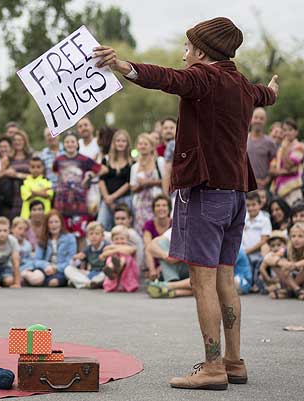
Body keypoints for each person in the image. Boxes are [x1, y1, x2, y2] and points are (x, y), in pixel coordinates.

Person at [95, 16, 279, 389]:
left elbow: (166, 78)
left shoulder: (205, 77)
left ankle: (212, 368)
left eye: (187, 48)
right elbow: (265, 94)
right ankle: (233, 361)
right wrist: (273, 90)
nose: (183, 55)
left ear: (201, 50)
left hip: (206, 192)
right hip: (235, 195)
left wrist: (123, 66)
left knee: (203, 281)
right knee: (225, 276)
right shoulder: (243, 85)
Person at [52, 133, 100, 238]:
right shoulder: (59, 160)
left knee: (80, 234)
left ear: (77, 144)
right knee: (63, 235)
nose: (70, 144)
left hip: (79, 202)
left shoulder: (84, 159)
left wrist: (90, 175)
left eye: (72, 142)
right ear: (63, 144)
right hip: (62, 202)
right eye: (67, 142)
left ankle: (80, 254)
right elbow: (55, 170)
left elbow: (101, 169)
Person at [264, 223, 304, 301]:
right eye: (293, 236)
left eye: (300, 236)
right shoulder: (288, 249)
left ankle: (290, 291)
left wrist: (296, 265)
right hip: (295, 280)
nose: (296, 239)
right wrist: (284, 263)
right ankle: (297, 290)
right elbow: (268, 258)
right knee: (277, 264)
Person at [27, 210, 75, 287]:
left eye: (56, 222)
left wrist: (55, 268)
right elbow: (36, 260)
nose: (54, 225)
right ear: (47, 225)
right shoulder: (43, 239)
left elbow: (71, 260)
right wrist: (46, 266)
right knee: (36, 279)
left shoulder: (70, 238)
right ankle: (29, 277)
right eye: (51, 222)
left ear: (61, 223)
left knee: (53, 282)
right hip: (46, 268)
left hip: (61, 269)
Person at [130, 133, 165, 235]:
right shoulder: (135, 167)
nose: (142, 146)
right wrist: (140, 185)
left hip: (157, 202)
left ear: (151, 146)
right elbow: (132, 187)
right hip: (140, 204)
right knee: (142, 231)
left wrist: (149, 182)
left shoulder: (160, 162)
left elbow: (166, 181)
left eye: (146, 144)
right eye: (140, 144)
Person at [98, 130, 133, 230]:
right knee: (102, 226)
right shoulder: (106, 160)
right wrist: (107, 198)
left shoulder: (132, 162)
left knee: (124, 228)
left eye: (123, 141)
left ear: (127, 143)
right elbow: (101, 180)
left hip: (124, 199)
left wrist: (113, 197)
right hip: (107, 199)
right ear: (114, 142)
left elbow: (128, 183)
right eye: (118, 141)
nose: (120, 143)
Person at [147, 228, 194, 298]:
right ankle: (172, 287)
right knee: (161, 243)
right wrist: (165, 256)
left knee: (204, 280)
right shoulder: (178, 228)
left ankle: (168, 287)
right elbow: (150, 246)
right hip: (180, 269)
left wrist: (180, 256)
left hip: (196, 271)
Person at [0, 132, 31, 220]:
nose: (18, 142)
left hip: (27, 193)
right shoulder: (7, 158)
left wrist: (18, 175)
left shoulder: (30, 157)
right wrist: (7, 172)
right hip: (12, 196)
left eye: (20, 140)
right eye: (15, 140)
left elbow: (36, 175)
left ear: (25, 141)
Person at [269, 119, 304, 206]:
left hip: (293, 189)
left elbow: (289, 165)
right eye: (285, 130)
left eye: (290, 130)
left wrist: (285, 150)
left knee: (294, 215)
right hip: (279, 190)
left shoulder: (299, 146)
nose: (287, 132)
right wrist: (285, 172)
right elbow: (271, 170)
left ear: (296, 132)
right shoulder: (281, 148)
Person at [65, 222, 108, 289]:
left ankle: (80, 283)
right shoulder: (88, 249)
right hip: (91, 273)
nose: (94, 236)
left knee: (103, 275)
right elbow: (81, 265)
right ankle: (87, 283)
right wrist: (75, 258)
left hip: (101, 273)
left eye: (97, 234)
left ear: (102, 237)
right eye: (91, 234)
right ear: (87, 237)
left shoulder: (106, 247)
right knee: (68, 269)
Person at [100, 225, 139, 293]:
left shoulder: (130, 247)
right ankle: (110, 270)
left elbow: (129, 250)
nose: (119, 241)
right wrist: (117, 250)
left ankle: (118, 266)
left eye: (122, 238)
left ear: (127, 239)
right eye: (116, 239)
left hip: (126, 267)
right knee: (111, 259)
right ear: (112, 240)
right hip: (114, 266)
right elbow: (103, 254)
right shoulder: (109, 247)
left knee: (123, 258)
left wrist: (114, 249)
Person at [242, 191, 272, 280]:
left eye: (253, 205)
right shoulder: (243, 218)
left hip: (258, 253)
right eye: (248, 205)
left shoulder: (264, 220)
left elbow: (264, 240)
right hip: (243, 252)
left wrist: (248, 251)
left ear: (260, 204)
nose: (251, 208)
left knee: (255, 274)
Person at [143, 195, 172, 280]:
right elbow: (148, 246)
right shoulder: (149, 224)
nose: (161, 208)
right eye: (158, 205)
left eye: (164, 205)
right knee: (148, 248)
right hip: (154, 258)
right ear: (153, 209)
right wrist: (153, 269)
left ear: (169, 208)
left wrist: (163, 265)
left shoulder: (174, 224)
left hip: (170, 259)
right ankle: (153, 274)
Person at [245, 108, 276, 190]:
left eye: (261, 118)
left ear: (265, 121)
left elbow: (275, 164)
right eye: (256, 117)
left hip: (262, 188)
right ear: (251, 119)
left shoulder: (270, 142)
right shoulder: (243, 139)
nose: (258, 120)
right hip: (244, 186)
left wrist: (267, 180)